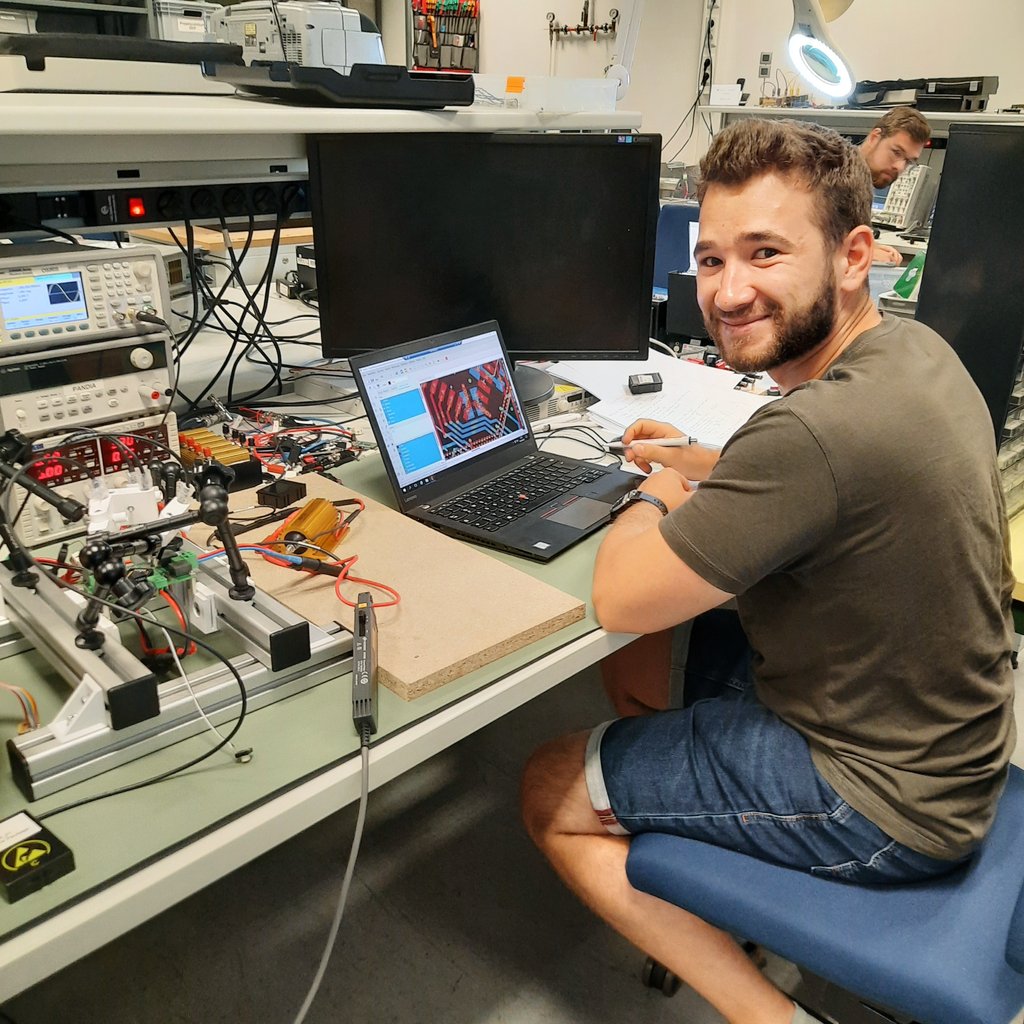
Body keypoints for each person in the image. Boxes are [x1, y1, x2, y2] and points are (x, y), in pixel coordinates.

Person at [520, 119, 1015, 1024]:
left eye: (765, 253)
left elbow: (618, 594)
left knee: (549, 785)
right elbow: (803, 469)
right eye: (711, 260)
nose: (729, 290)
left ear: (853, 254)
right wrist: (703, 459)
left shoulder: (816, 433)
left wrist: (657, 489)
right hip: (956, 750)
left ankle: (769, 1018)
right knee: (686, 650)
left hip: (882, 802)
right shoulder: (914, 353)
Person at [859, 106, 932, 264]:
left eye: (908, 161)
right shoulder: (832, 177)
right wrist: (863, 253)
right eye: (896, 152)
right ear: (874, 137)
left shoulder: (862, 183)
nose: (899, 166)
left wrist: (871, 246)